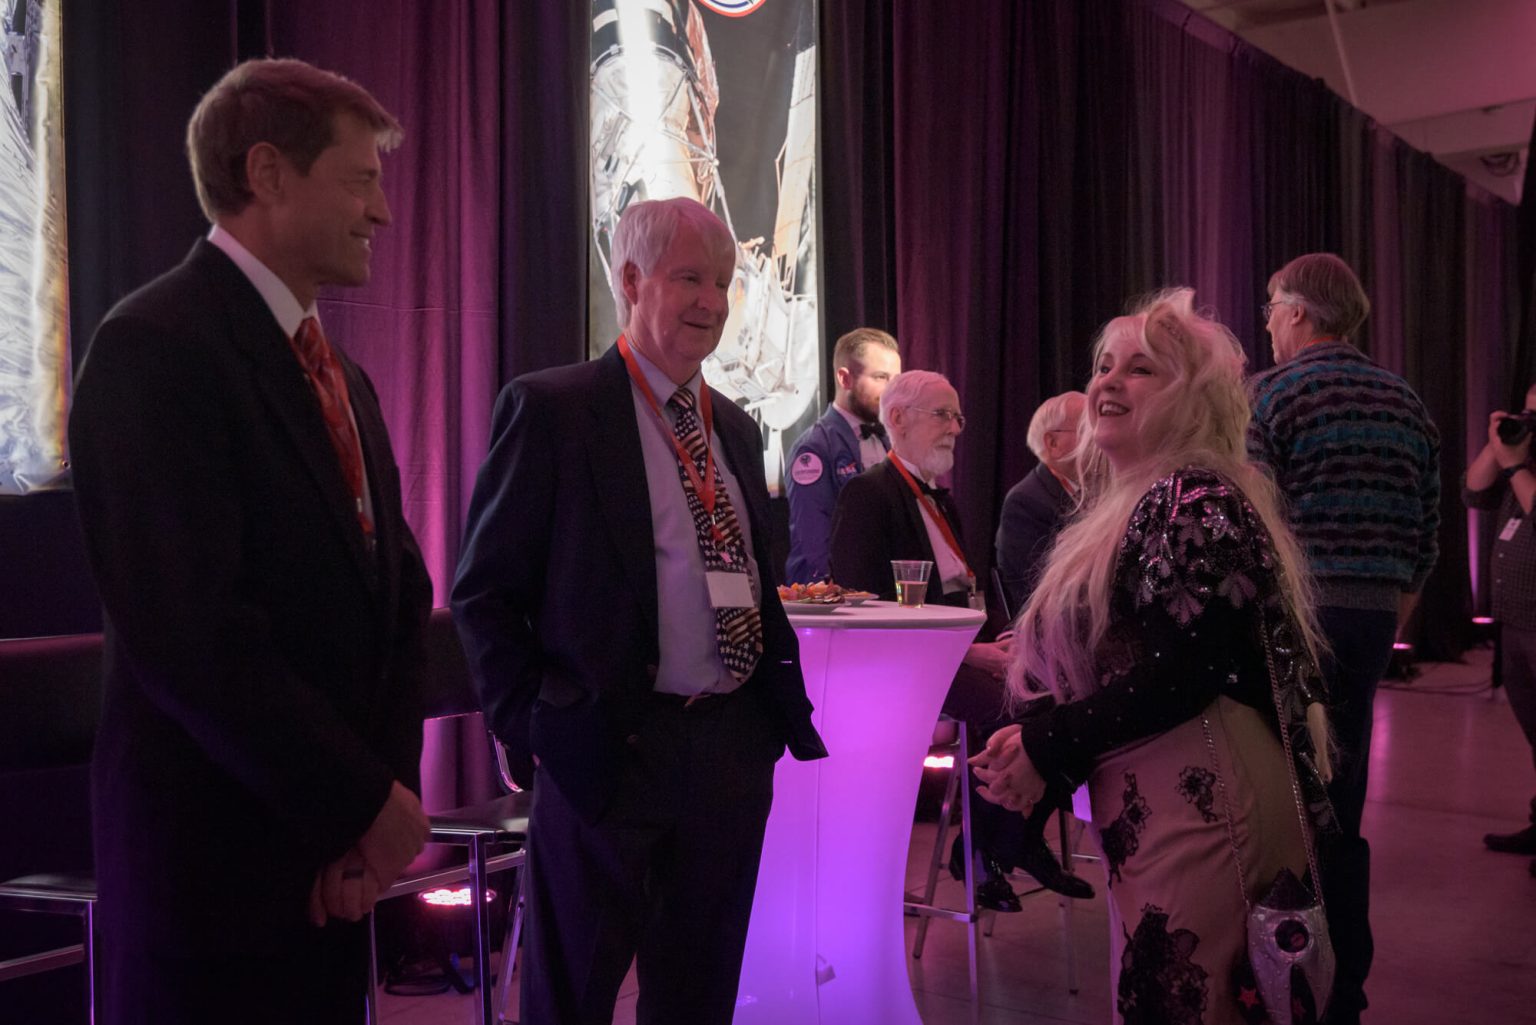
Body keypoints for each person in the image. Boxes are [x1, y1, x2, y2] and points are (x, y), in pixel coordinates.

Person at [68, 59, 432, 1023]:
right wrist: (361, 805)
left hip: (331, 874)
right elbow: (194, 636)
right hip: (214, 883)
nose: (382, 212)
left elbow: (398, 597)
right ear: (268, 173)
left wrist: (375, 815)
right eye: (360, 180)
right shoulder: (154, 348)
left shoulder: (344, 375)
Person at [452, 196, 826, 1025]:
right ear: (629, 280)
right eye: (689, 278)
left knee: (698, 998)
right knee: (572, 1000)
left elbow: (752, 579)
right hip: (608, 753)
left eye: (723, 282)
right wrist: (539, 726)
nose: (712, 301)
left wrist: (763, 730)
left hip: (728, 753)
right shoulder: (554, 411)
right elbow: (484, 595)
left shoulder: (735, 428)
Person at [972, 290, 1335, 1025]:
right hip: (1167, 798)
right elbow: (1133, 672)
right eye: (1104, 365)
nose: (1108, 382)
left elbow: (1183, 674)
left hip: (1206, 803)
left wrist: (1048, 742)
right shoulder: (1148, 498)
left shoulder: (1191, 497)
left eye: (1140, 369)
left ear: (1193, 399)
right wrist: (1044, 749)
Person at [1248, 252, 1440, 1025]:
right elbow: (1426, 541)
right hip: (1372, 619)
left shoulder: (1274, 394)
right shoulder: (1406, 402)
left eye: (1272, 305)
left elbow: (1256, 526)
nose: (1267, 321)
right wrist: (1385, 620)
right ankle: (1344, 988)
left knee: (1280, 799)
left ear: (1299, 310)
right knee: (1342, 797)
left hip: (1294, 619)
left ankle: (1282, 972)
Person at [829, 370, 1090, 908]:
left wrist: (1007, 637)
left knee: (1067, 695)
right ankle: (994, 848)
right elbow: (863, 605)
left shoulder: (941, 500)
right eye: (942, 415)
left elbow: (967, 591)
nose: (955, 427)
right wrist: (968, 652)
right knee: (1015, 707)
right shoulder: (868, 494)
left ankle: (997, 843)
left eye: (957, 417)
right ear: (897, 419)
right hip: (908, 664)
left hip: (962, 651)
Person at [1463, 382, 1536, 872]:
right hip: (1515, 623)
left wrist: (1515, 467)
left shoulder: (1523, 473)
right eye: (1527, 414)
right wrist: (1498, 445)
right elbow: (1473, 491)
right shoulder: (1522, 465)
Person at [784, 327, 901, 583]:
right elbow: (815, 539)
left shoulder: (890, 441)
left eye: (896, 380)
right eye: (881, 377)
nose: (892, 390)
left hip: (879, 589)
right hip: (831, 594)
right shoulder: (813, 448)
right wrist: (843, 594)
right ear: (845, 378)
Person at [995, 390, 1086, 614]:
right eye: (1087, 429)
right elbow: (1038, 590)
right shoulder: (1025, 503)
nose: (1100, 436)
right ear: (1052, 442)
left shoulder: (1093, 491)